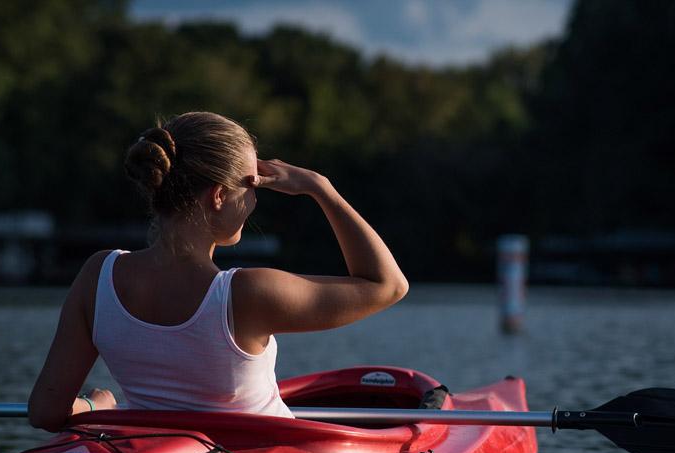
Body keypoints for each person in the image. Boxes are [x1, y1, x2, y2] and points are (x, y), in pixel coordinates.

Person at [28, 112, 408, 431]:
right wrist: (321, 189)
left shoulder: (98, 275)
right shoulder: (248, 293)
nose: (256, 198)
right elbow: (388, 284)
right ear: (219, 196)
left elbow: (46, 412)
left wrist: (98, 408)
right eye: (252, 184)